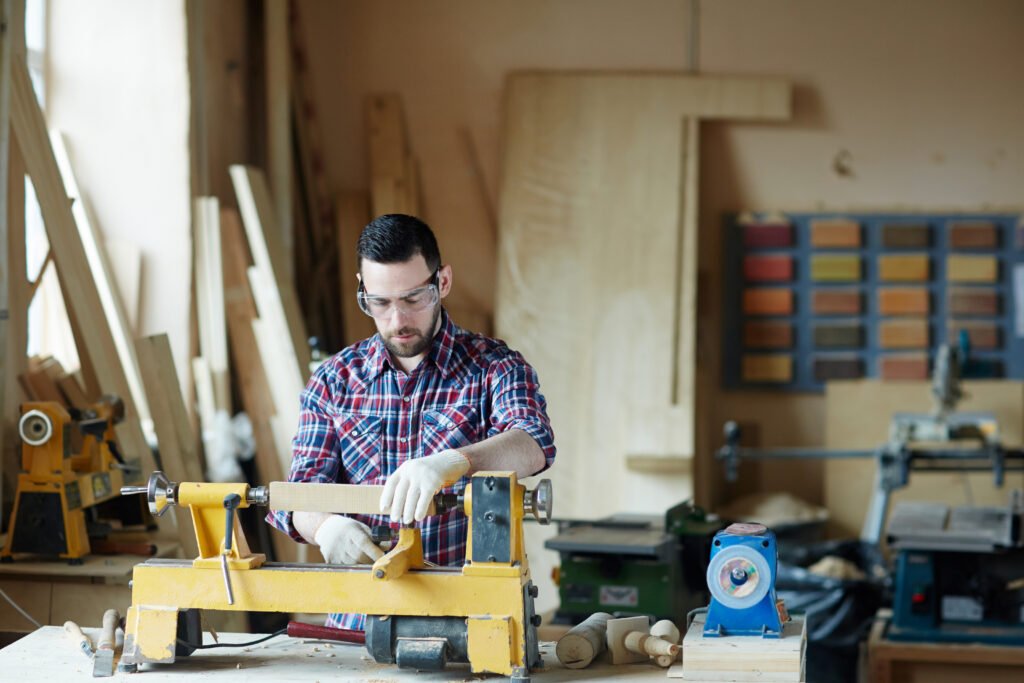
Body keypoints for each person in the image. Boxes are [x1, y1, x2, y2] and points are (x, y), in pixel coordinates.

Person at [266, 213, 556, 631]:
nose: (398, 319)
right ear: (362, 290)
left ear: (443, 282)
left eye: (413, 298)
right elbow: (299, 493)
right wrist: (325, 527)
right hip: (359, 625)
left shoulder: (495, 367)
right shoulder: (333, 380)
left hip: (467, 625)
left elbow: (532, 442)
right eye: (380, 303)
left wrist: (453, 462)